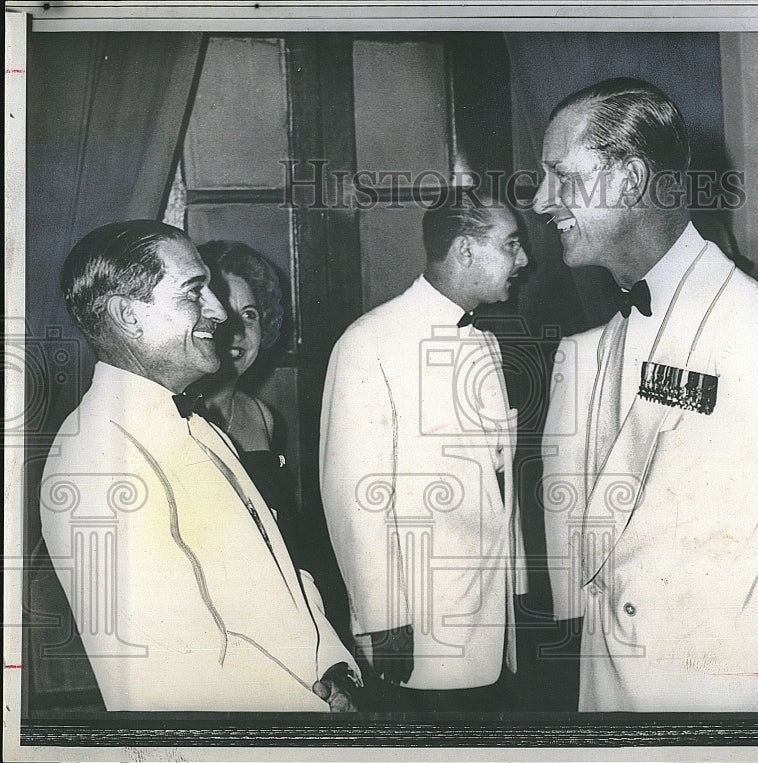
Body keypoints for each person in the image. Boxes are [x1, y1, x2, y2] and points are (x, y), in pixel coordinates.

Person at [532, 78, 758, 712]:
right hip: (616, 686)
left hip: (719, 696)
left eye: (561, 177)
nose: (541, 202)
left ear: (631, 179)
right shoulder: (610, 332)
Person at [40, 220, 360, 712]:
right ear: (129, 315)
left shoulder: (197, 423)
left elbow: (284, 575)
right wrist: (316, 715)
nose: (218, 311)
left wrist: (332, 669)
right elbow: (177, 671)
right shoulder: (96, 461)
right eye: (195, 292)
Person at [319, 193, 529, 712]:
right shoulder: (368, 344)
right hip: (418, 626)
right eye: (511, 245)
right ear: (465, 251)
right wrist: (383, 618)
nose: (523, 262)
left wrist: (517, 583)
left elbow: (499, 478)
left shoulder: (486, 343)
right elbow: (355, 496)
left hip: (493, 620)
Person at [188, 240, 305, 568]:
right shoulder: (174, 413)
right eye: (224, 313)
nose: (237, 330)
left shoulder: (262, 416)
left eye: (249, 315)